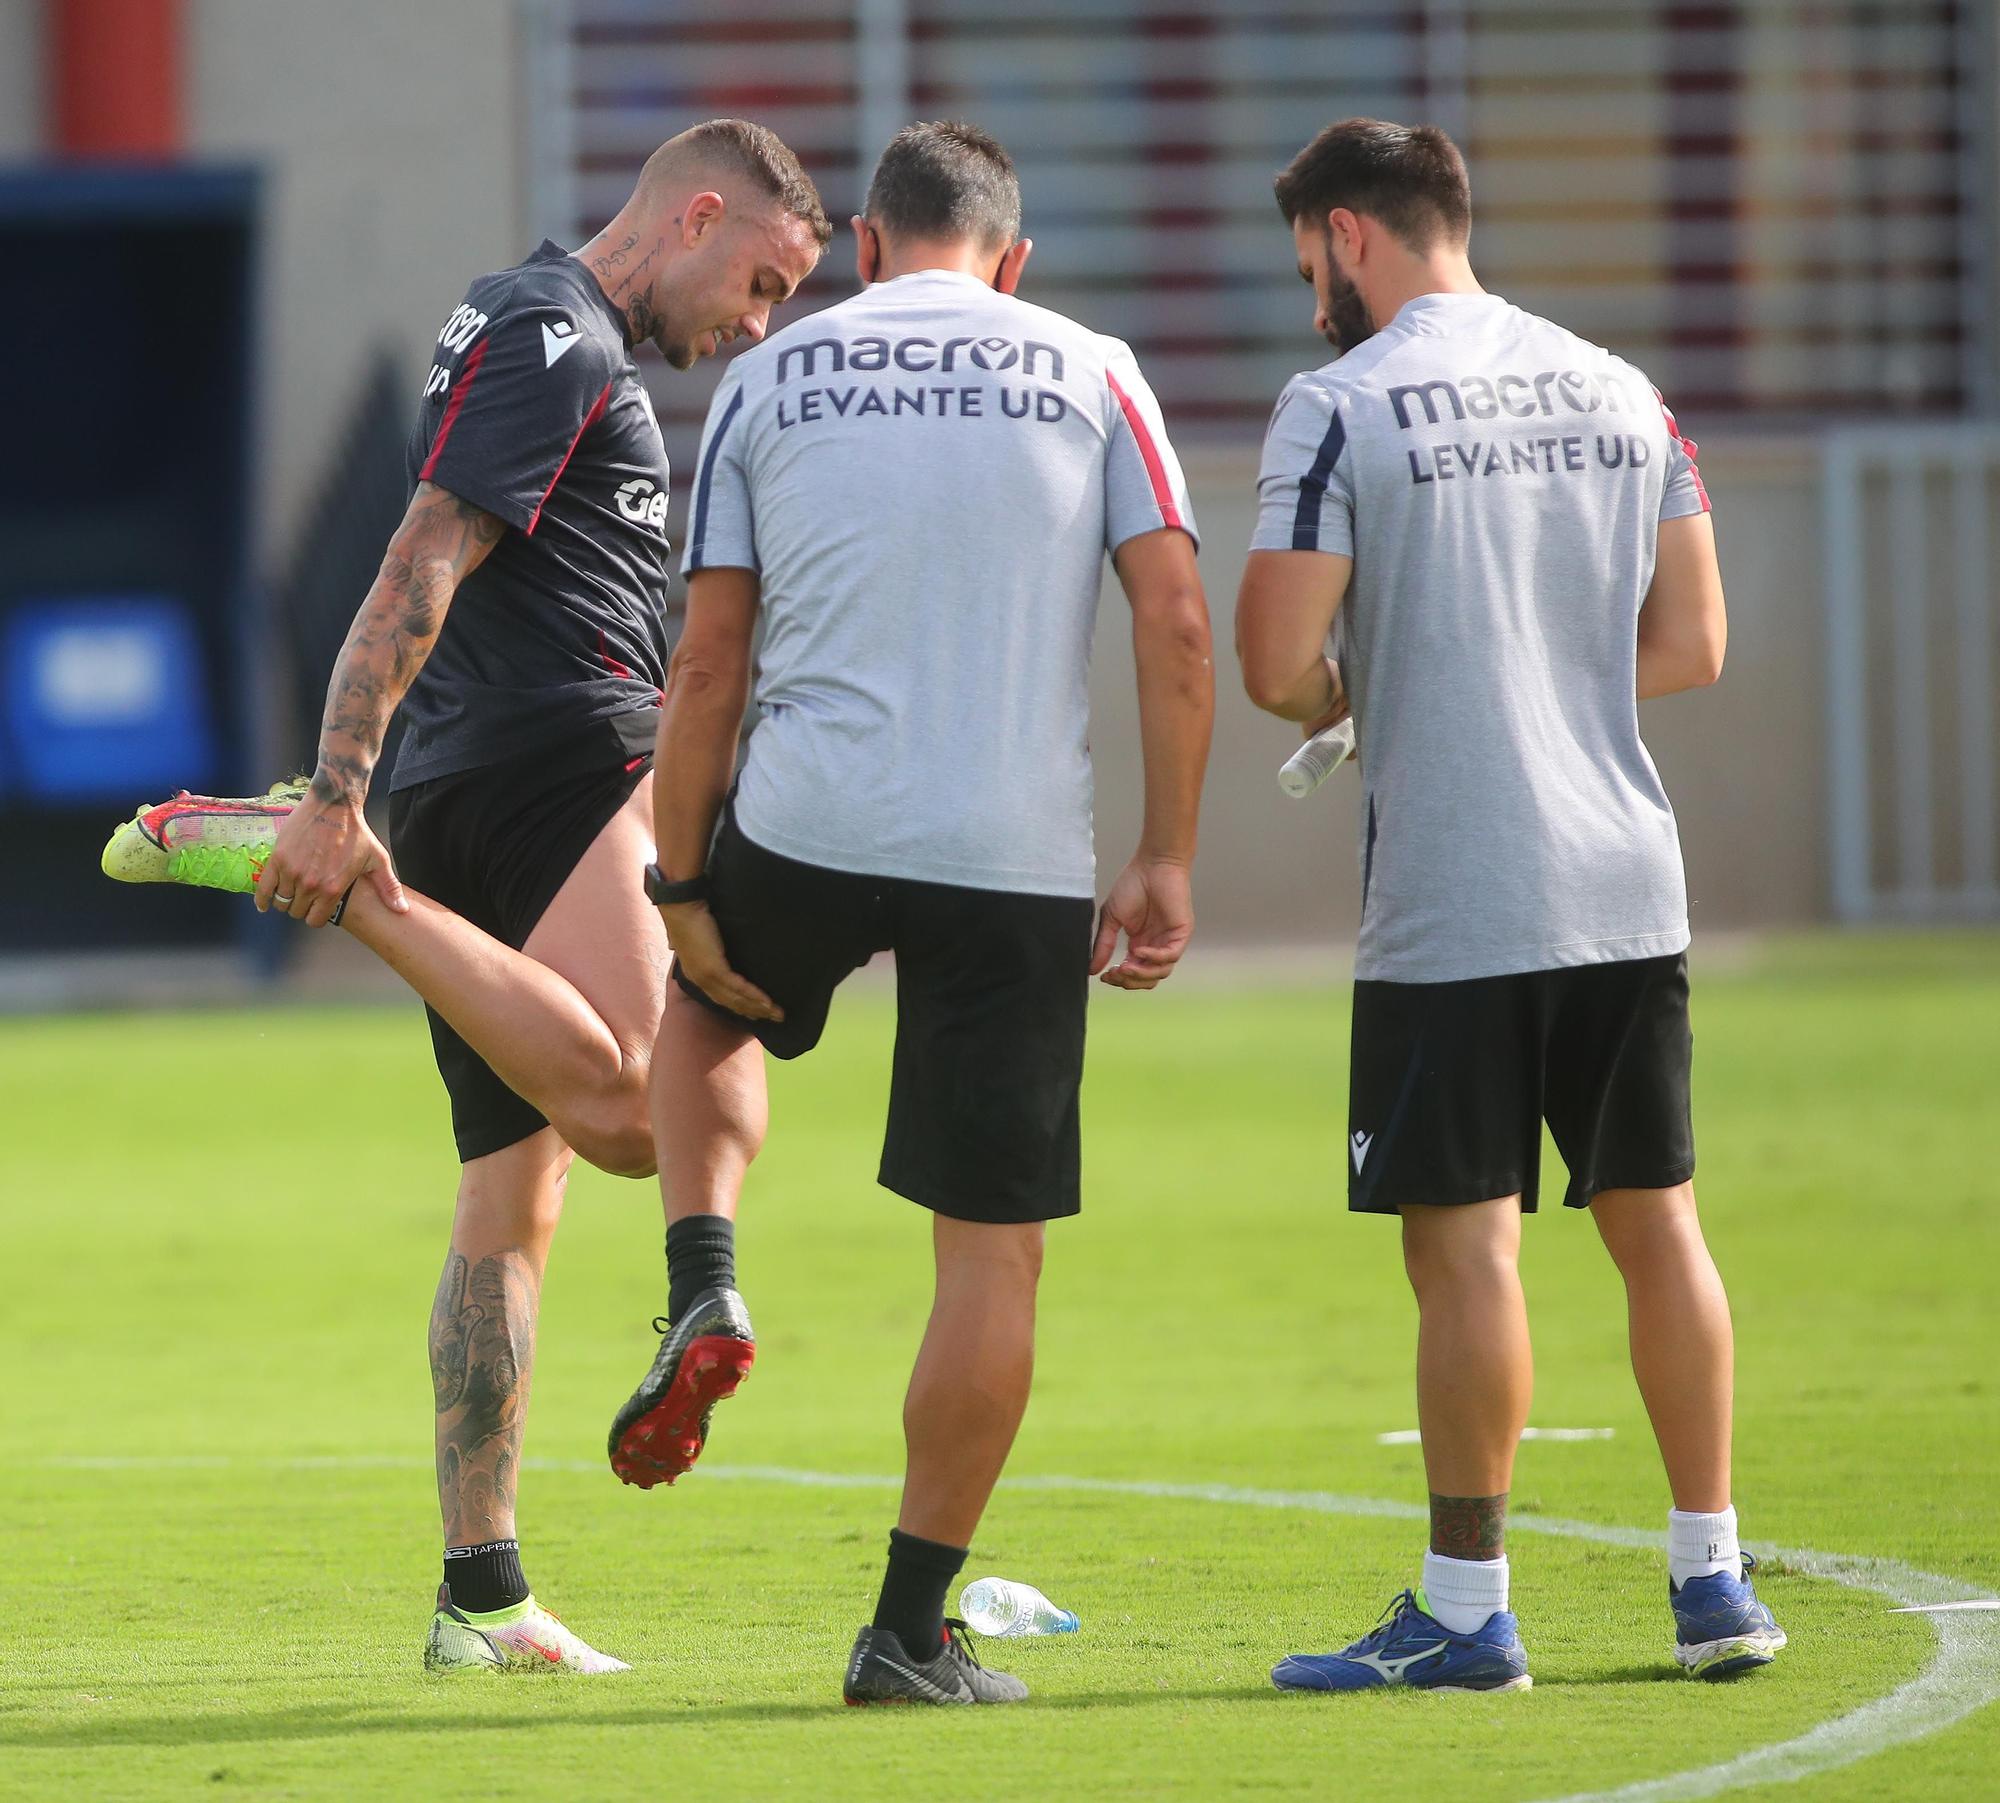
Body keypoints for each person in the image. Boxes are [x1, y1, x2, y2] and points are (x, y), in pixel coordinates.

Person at [101, 119, 830, 1674]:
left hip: (465, 784)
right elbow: (419, 557)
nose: (755, 325)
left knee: (516, 1197)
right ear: (696, 213)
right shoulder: (557, 335)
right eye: (761, 280)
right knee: (651, 1112)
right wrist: (340, 797)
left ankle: (481, 1595)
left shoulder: (535, 327)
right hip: (553, 772)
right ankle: (332, 870)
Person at [606, 120, 1214, 1706]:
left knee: (710, 1006)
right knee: (988, 1262)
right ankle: (909, 1628)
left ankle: (704, 1276)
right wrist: (1166, 853)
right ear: (1010, 260)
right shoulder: (1093, 368)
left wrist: (680, 879)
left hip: (806, 824)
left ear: (864, 246)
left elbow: (710, 661)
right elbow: (1176, 618)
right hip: (1010, 855)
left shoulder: (766, 377)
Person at [1235, 118, 1786, 1692]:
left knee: (1466, 1247)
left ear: (1351, 233)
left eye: (1306, 265)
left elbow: (1278, 663)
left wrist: (1376, 694)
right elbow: (1693, 640)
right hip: (1625, 875)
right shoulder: (1624, 387)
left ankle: (1468, 1610)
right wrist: (1525, 677)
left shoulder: (1336, 406)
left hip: (1458, 888)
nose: (1308, 301)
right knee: (1658, 1223)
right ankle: (1714, 1586)